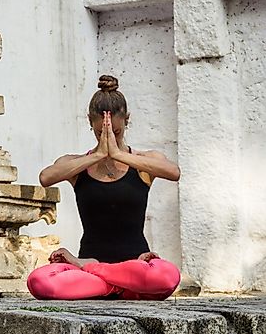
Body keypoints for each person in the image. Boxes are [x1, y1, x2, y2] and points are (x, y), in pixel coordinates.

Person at [27, 75, 182, 300]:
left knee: (167, 276)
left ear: (127, 120)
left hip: (136, 266)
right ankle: (117, 285)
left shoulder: (144, 162)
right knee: (39, 281)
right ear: (90, 123)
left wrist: (119, 154)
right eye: (100, 132)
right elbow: (46, 177)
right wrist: (98, 155)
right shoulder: (78, 165)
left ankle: (109, 279)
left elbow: (174, 172)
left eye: (115, 132)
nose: (108, 136)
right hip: (90, 272)